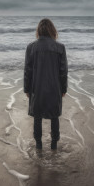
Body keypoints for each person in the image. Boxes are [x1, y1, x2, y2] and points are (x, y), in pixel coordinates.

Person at [24, 18, 68, 150]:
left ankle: (39, 145)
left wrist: (27, 89)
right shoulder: (60, 47)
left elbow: (28, 71)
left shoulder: (31, 47)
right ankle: (54, 144)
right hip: (55, 88)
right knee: (54, 117)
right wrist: (63, 88)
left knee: (37, 117)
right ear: (52, 30)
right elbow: (63, 71)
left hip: (37, 88)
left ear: (39, 31)